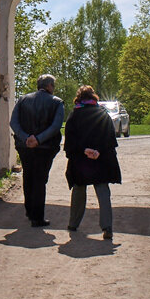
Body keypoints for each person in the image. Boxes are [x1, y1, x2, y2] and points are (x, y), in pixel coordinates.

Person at [63, 85, 122, 240]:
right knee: (103, 193)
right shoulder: (102, 114)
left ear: (79, 98)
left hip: (80, 160)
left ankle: (73, 223)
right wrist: (98, 151)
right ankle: (107, 227)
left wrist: (84, 150)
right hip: (100, 160)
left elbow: (69, 141)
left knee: (78, 191)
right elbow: (110, 138)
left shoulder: (74, 115)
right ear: (93, 97)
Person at [9, 74, 65, 227]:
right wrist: (38, 139)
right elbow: (55, 126)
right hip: (45, 147)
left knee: (28, 176)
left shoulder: (22, 100)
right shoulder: (57, 102)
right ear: (49, 86)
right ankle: (37, 217)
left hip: (24, 146)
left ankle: (29, 210)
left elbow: (13, 122)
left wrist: (26, 137)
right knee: (40, 179)